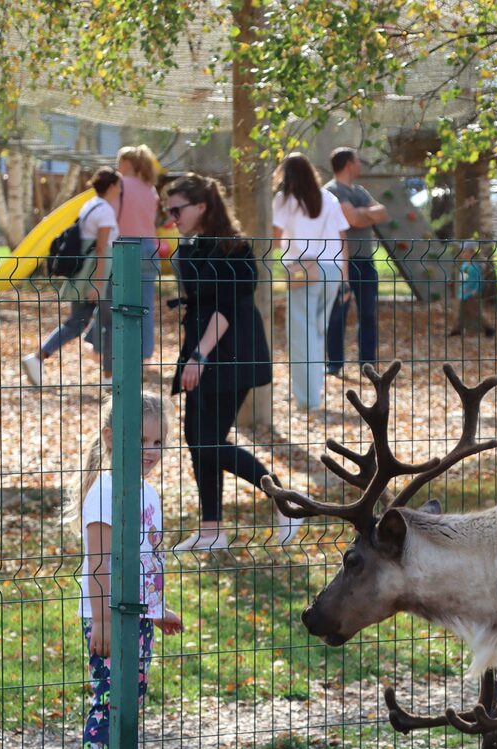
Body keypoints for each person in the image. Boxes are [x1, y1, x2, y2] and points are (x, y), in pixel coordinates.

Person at [65, 390, 189, 749]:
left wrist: (159, 609)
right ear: (111, 438)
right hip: (107, 615)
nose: (151, 452)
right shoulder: (105, 490)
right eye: (142, 442)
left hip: (137, 615)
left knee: (131, 697)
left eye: (158, 443)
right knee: (109, 697)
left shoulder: (148, 493)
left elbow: (146, 560)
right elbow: (99, 562)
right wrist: (100, 621)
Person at [165, 173, 300, 552]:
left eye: (178, 209)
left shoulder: (233, 248)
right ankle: (212, 531)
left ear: (202, 206)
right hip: (202, 352)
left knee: (207, 443)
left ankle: (284, 500)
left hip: (230, 353)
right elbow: (199, 302)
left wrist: (199, 355)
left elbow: (227, 308)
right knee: (198, 440)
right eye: (168, 209)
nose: (172, 216)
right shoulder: (190, 247)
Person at [22, 168, 121, 386]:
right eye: (119, 185)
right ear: (113, 186)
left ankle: (38, 357)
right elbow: (102, 249)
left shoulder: (89, 205)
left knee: (76, 323)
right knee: (112, 323)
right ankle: (109, 377)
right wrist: (98, 284)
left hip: (85, 273)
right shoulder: (104, 210)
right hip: (98, 274)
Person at [272, 152, 350, 410]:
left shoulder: (285, 200)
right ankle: (312, 394)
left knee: (300, 337)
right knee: (318, 334)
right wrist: (346, 279)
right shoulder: (329, 198)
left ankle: (307, 400)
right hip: (333, 271)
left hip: (303, 272)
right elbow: (342, 239)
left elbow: (273, 240)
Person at [88, 144, 162, 380]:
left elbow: (105, 215)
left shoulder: (118, 185)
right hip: (149, 247)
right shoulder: (150, 189)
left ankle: (101, 348)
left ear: (127, 164)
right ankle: (143, 355)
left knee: (112, 302)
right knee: (145, 305)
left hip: (123, 248)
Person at [324, 148, 388, 376]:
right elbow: (354, 220)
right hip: (343, 262)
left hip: (366, 262)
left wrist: (362, 213)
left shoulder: (359, 190)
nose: (361, 164)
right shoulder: (332, 191)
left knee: (369, 314)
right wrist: (364, 213)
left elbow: (381, 213)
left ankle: (367, 364)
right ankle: (335, 364)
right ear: (349, 163)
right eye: (358, 160)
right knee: (338, 313)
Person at [451, 240, 495, 337]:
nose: (462, 254)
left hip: (471, 294)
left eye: (464, 251)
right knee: (460, 313)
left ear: (471, 252)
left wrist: (476, 289)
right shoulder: (464, 266)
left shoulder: (475, 267)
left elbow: (479, 280)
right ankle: (456, 330)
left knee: (476, 312)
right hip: (463, 293)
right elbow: (463, 279)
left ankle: (488, 328)